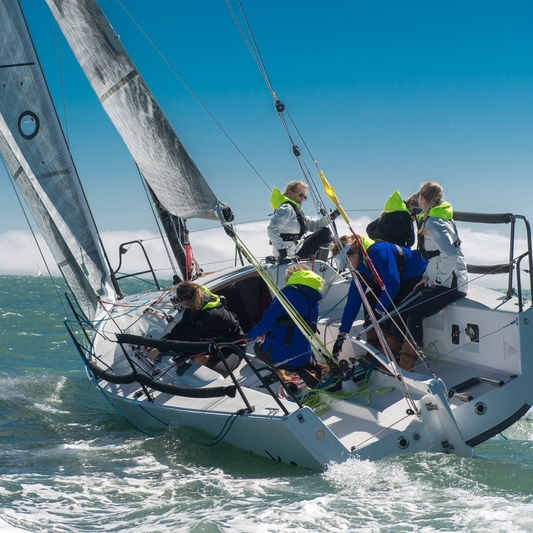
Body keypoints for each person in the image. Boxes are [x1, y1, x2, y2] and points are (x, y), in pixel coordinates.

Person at [387, 182, 468, 371]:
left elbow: (450, 255)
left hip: (452, 283)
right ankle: (387, 360)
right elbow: (436, 257)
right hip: (442, 279)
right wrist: (426, 277)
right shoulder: (433, 218)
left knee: (415, 313)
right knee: (402, 308)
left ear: (422, 198)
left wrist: (437, 280)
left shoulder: (434, 222)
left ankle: (406, 366)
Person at [335, 235, 427, 363]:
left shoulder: (378, 251)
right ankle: (373, 352)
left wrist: (379, 309)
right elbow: (353, 300)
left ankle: (389, 357)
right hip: (398, 281)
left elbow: (393, 283)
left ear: (355, 253)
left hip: (416, 275)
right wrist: (341, 335)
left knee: (393, 305)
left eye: (346, 262)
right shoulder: (360, 268)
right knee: (369, 298)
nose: (345, 267)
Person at [147, 281, 246, 377]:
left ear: (185, 300)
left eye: (177, 300)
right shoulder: (192, 308)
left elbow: (186, 337)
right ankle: (207, 359)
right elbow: (178, 330)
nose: (177, 302)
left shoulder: (209, 314)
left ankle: (209, 360)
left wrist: (160, 349)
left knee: (217, 373)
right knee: (180, 351)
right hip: (214, 344)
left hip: (233, 347)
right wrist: (158, 344)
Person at [248, 265, 324, 388]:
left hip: (278, 357)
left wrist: (249, 335)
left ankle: (283, 376)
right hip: (302, 357)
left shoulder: (284, 294)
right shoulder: (314, 299)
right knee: (314, 365)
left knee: (258, 347)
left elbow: (265, 324)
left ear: (291, 278)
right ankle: (308, 373)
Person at [267, 181, 337, 262]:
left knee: (327, 235)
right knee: (325, 232)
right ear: (290, 193)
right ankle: (320, 267)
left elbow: (314, 225)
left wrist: (331, 216)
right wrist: (281, 250)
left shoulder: (295, 210)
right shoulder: (286, 208)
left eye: (305, 197)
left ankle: (318, 264)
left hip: (296, 249)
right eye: (301, 195)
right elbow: (272, 229)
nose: (303, 199)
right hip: (289, 254)